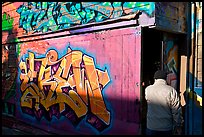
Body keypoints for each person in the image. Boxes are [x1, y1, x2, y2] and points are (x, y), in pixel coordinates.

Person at [145, 70, 183, 135]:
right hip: (166, 127)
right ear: (165, 78)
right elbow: (176, 110)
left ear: (155, 79)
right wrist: (178, 125)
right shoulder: (171, 90)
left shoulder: (148, 89)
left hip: (151, 126)